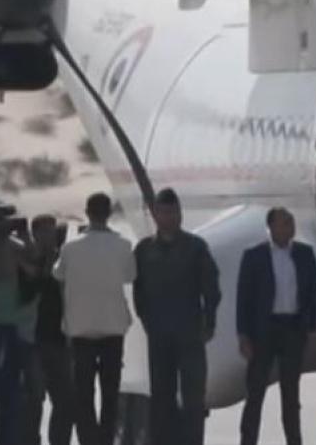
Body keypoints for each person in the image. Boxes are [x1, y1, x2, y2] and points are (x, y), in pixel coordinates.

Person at [133, 188, 222, 445]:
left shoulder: (195, 248)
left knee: (193, 397)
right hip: (159, 334)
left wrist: (209, 322)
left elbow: (211, 288)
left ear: (180, 214)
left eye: (173, 212)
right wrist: (148, 322)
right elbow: (139, 292)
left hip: (190, 333)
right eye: (163, 212)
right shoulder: (144, 250)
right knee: (161, 396)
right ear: (156, 215)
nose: (168, 217)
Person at [53, 192, 136, 445]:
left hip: (81, 329)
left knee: (83, 395)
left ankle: (88, 440)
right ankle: (106, 440)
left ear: (87, 213)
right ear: (109, 214)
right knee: (110, 394)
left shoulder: (70, 248)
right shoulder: (123, 245)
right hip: (112, 328)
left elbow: (58, 274)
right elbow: (129, 276)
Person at [237, 208, 316, 445]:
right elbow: (244, 299)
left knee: (291, 394)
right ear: (271, 227)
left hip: (292, 329)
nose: (290, 226)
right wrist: (243, 335)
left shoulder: (304, 254)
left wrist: (315, 327)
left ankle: (294, 441)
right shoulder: (254, 257)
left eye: (291, 221)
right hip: (263, 330)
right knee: (255, 393)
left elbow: (313, 293)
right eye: (285, 222)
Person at [0, 200, 35, 445]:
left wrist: (25, 235)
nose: (8, 224)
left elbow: (34, 262)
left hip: (10, 325)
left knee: (10, 395)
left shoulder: (12, 244)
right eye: (3, 219)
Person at [20, 215, 74, 445]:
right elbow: (25, 296)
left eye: (53, 232)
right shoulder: (27, 260)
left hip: (60, 340)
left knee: (65, 402)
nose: (50, 237)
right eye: (45, 232)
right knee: (33, 401)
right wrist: (41, 268)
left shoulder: (64, 261)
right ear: (35, 234)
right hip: (34, 341)